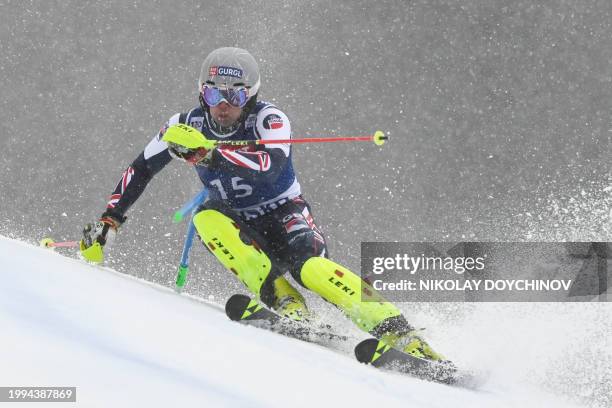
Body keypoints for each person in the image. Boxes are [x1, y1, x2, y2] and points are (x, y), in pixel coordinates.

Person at [80, 47, 444, 362]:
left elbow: (271, 168)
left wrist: (209, 155)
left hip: (284, 213)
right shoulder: (184, 124)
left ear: (250, 96)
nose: (222, 108)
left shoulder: (268, 119)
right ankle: (289, 306)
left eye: (234, 98)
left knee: (312, 269)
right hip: (240, 222)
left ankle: (404, 335)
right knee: (206, 217)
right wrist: (110, 218)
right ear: (201, 94)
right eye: (212, 97)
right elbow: (141, 168)